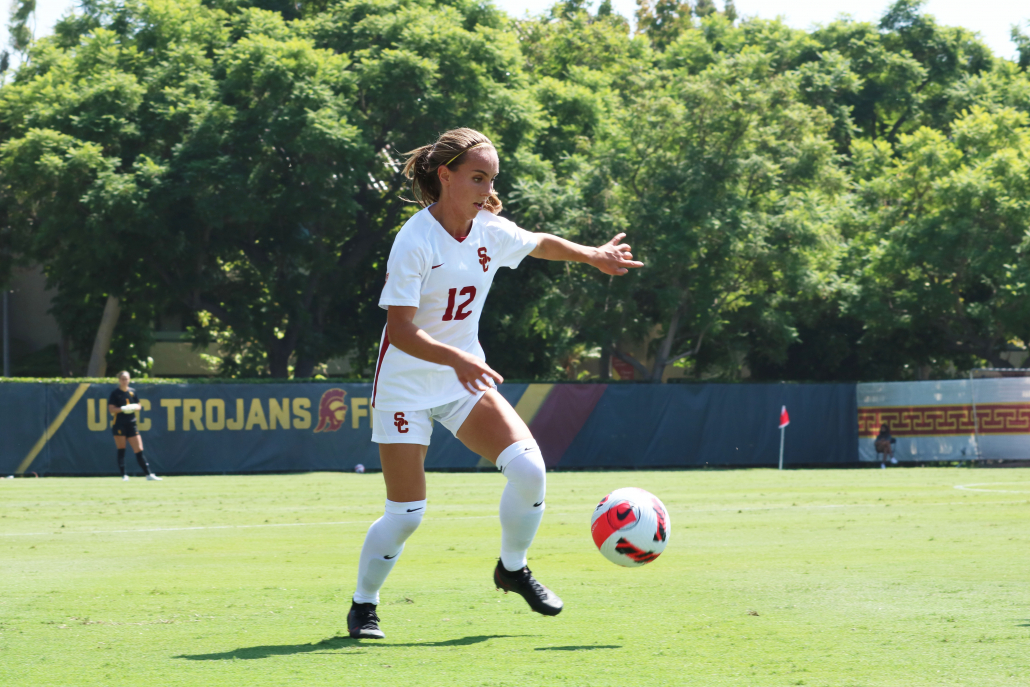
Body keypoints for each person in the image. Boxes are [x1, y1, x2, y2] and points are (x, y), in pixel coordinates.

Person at [347, 128, 643, 639]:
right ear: (445, 175)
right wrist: (458, 360)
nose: (487, 189)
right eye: (477, 177)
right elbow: (400, 331)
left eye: (492, 179)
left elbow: (538, 243)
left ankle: (513, 568)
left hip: (463, 377)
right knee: (406, 515)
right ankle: (364, 604)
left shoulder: (488, 229)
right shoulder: (414, 240)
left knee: (529, 469)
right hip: (406, 387)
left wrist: (592, 255)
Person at [108, 371, 161, 481]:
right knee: (121, 449)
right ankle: (124, 475)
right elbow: (111, 409)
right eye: (122, 379)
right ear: (119, 380)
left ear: (129, 379)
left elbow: (139, 405)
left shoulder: (132, 392)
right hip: (119, 424)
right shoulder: (115, 393)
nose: (124, 381)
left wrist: (133, 407)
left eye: (126, 379)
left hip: (131, 423)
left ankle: (148, 474)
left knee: (139, 449)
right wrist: (122, 409)